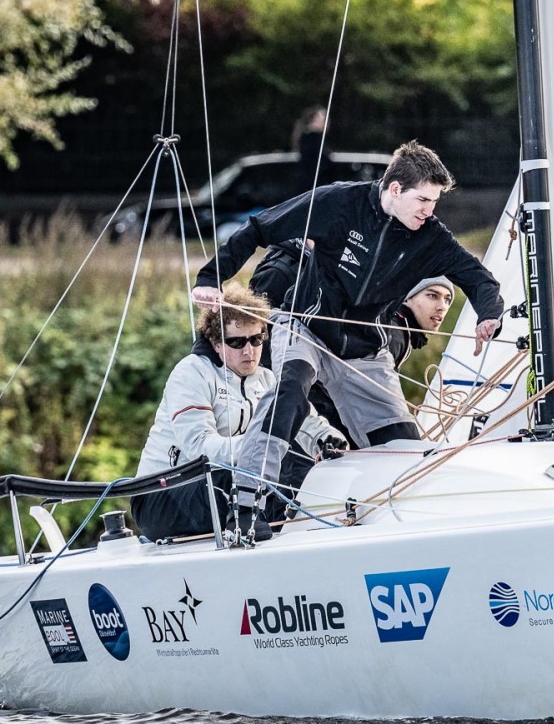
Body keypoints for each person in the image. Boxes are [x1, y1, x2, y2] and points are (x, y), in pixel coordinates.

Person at [191, 140, 504, 540]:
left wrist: (489, 314)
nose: (430, 211)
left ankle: (406, 519)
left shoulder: (431, 237)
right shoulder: (339, 202)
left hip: (365, 352)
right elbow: (260, 228)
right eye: (423, 200)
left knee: (402, 444)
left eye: (435, 202)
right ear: (395, 189)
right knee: (289, 392)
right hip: (305, 327)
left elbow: (477, 278)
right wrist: (210, 278)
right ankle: (248, 504)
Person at [131, 283, 344, 542]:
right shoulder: (191, 373)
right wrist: (258, 446)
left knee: (298, 469)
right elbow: (200, 447)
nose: (249, 351)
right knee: (259, 469)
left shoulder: (266, 379)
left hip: (217, 485)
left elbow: (305, 421)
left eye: (256, 339)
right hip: (160, 496)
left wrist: (328, 439)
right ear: (216, 344)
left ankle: (327, 526)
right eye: (236, 342)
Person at [292, 106, 327, 192]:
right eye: (323, 119)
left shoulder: (308, 138)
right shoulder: (313, 139)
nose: (326, 122)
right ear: (313, 120)